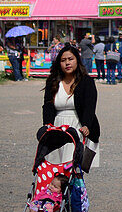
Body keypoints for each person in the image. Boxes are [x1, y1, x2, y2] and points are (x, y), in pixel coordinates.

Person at [43, 44, 100, 178]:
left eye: (70, 59)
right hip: (57, 127)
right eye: (63, 60)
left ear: (77, 61)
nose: (67, 63)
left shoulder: (86, 81)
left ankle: (73, 197)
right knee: (54, 170)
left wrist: (86, 125)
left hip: (78, 127)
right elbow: (47, 106)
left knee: (71, 170)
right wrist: (47, 125)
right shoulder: (53, 81)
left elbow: (90, 106)